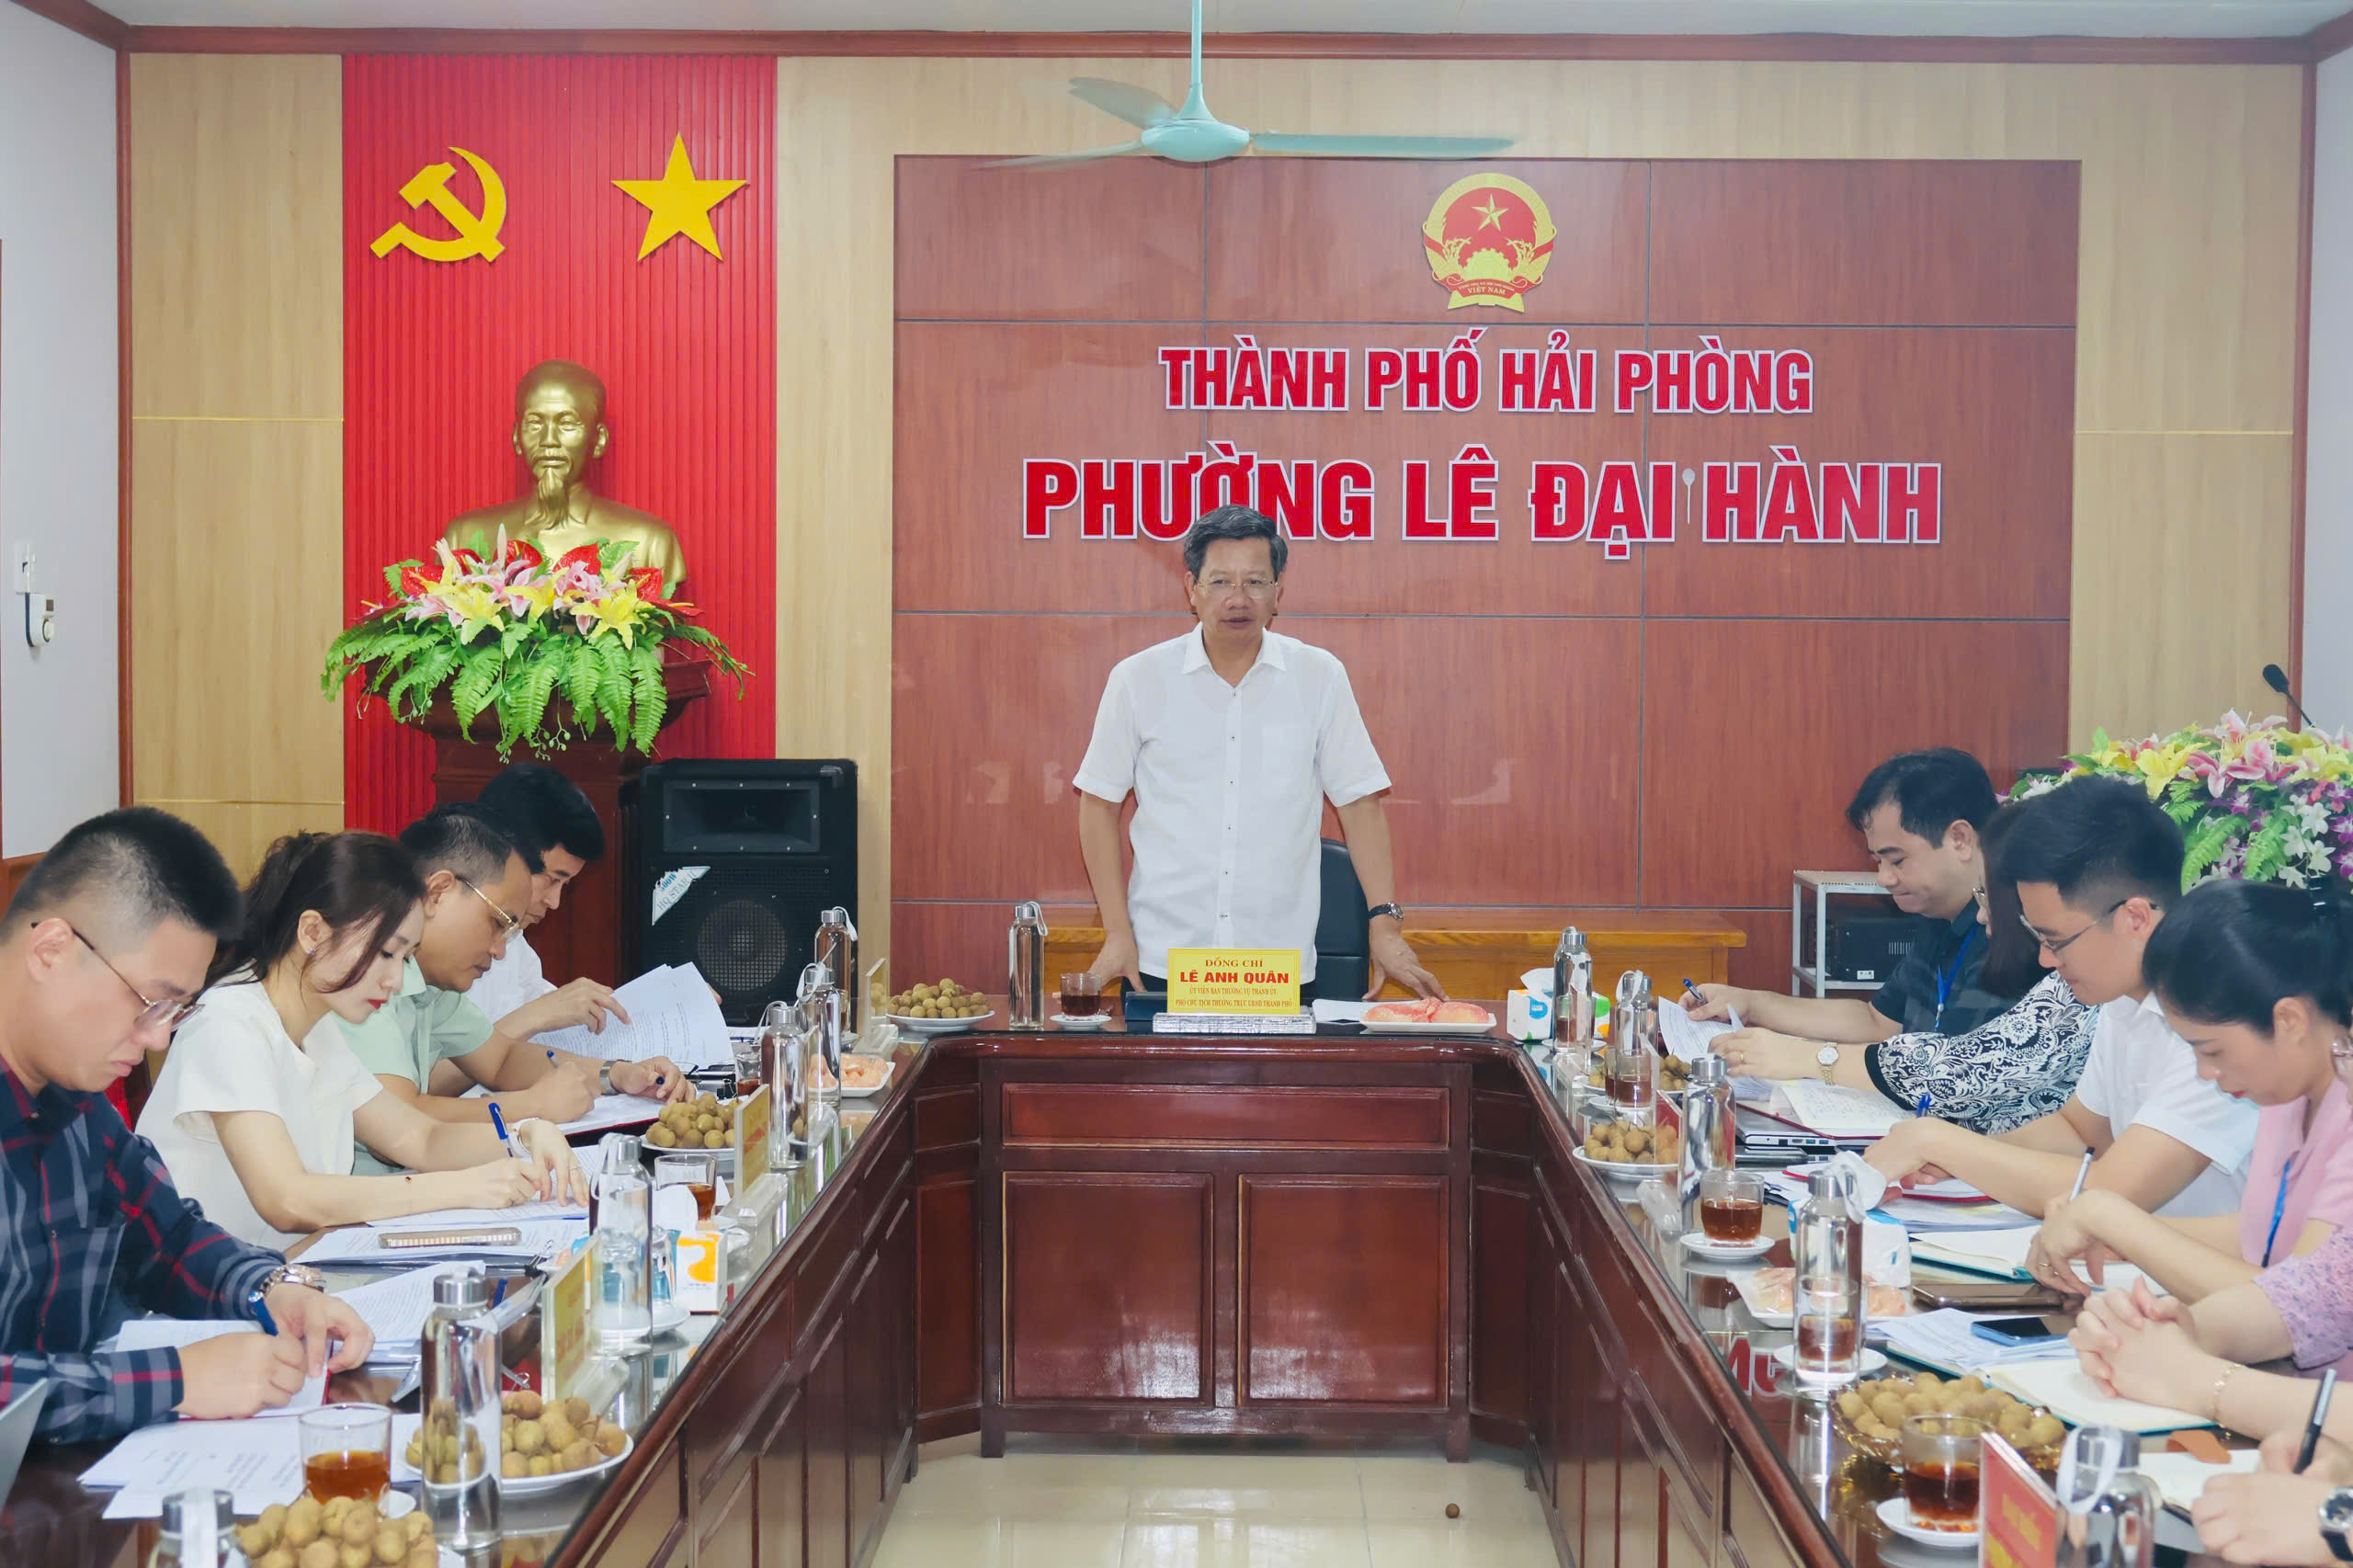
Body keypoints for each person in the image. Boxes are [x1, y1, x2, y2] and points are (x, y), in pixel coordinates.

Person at [0, 808, 372, 1441]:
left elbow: (168, 1239)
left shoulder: (79, 1105)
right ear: (52, 950)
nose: (157, 1038)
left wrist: (271, 1290)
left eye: (176, 1010)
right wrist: (177, 1381)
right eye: (151, 1001)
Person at [136, 832, 587, 1249]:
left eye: (405, 957)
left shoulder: (319, 1030)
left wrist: (524, 1136)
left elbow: (421, 1138)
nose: (395, 980)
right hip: (198, 1293)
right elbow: (287, 1199)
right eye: (385, 952)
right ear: (313, 932)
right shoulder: (229, 1022)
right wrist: (462, 1188)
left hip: (284, 1272)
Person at [1073, 506, 1440, 1003]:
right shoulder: (1138, 679)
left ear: (1278, 590)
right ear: (1192, 587)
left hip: (1278, 966)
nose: (1238, 599)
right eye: (1221, 581)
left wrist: (1386, 926)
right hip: (1163, 958)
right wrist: (1118, 933)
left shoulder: (1318, 677)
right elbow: (1098, 805)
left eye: (1256, 582)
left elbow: (1359, 805)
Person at [1862, 777, 2256, 1218]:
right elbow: (2079, 1132)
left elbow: (2112, 1192)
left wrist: (1938, 1142)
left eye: (2056, 940)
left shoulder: (2222, 1020)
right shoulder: (2121, 996)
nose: (2046, 960)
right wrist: (1958, 1159)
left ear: (2135, 919)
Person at [2022, 879, 2353, 1301]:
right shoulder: (2285, 1096)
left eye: (2212, 1051)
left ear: (2289, 1021)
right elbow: (2259, 1234)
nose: (2205, 1072)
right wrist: (2104, 1228)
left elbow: (2300, 1303)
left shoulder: (2332, 1105)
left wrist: (2113, 1220)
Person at [1721, 803, 2097, 1130]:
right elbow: (1882, 1023)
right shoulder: (1939, 925)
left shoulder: (2080, 984)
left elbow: (1962, 1068)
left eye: (1990, 899)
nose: (1982, 915)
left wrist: (1814, 1059)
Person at [337, 806, 642, 1175]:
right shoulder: (368, 976)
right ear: (439, 892)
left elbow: (501, 1059)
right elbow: (400, 1124)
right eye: (497, 923)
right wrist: (533, 1107)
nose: (499, 951)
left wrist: (617, 1074)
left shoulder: (432, 982)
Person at [1697, 749, 2025, 1080]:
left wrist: (1811, 1059)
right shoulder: (1938, 917)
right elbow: (1878, 1022)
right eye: (1877, 862)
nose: (1884, 878)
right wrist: (1753, 1004)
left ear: (1960, 839)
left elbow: (1956, 1073)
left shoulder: (2014, 933)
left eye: (1897, 860)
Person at [467, 766, 688, 1103]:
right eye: (552, 880)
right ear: (504, 855)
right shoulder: (428, 953)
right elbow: (435, 1079)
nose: (555, 902)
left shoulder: (516, 945)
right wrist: (536, 1014)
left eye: (565, 885)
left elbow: (525, 1055)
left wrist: (618, 1074)